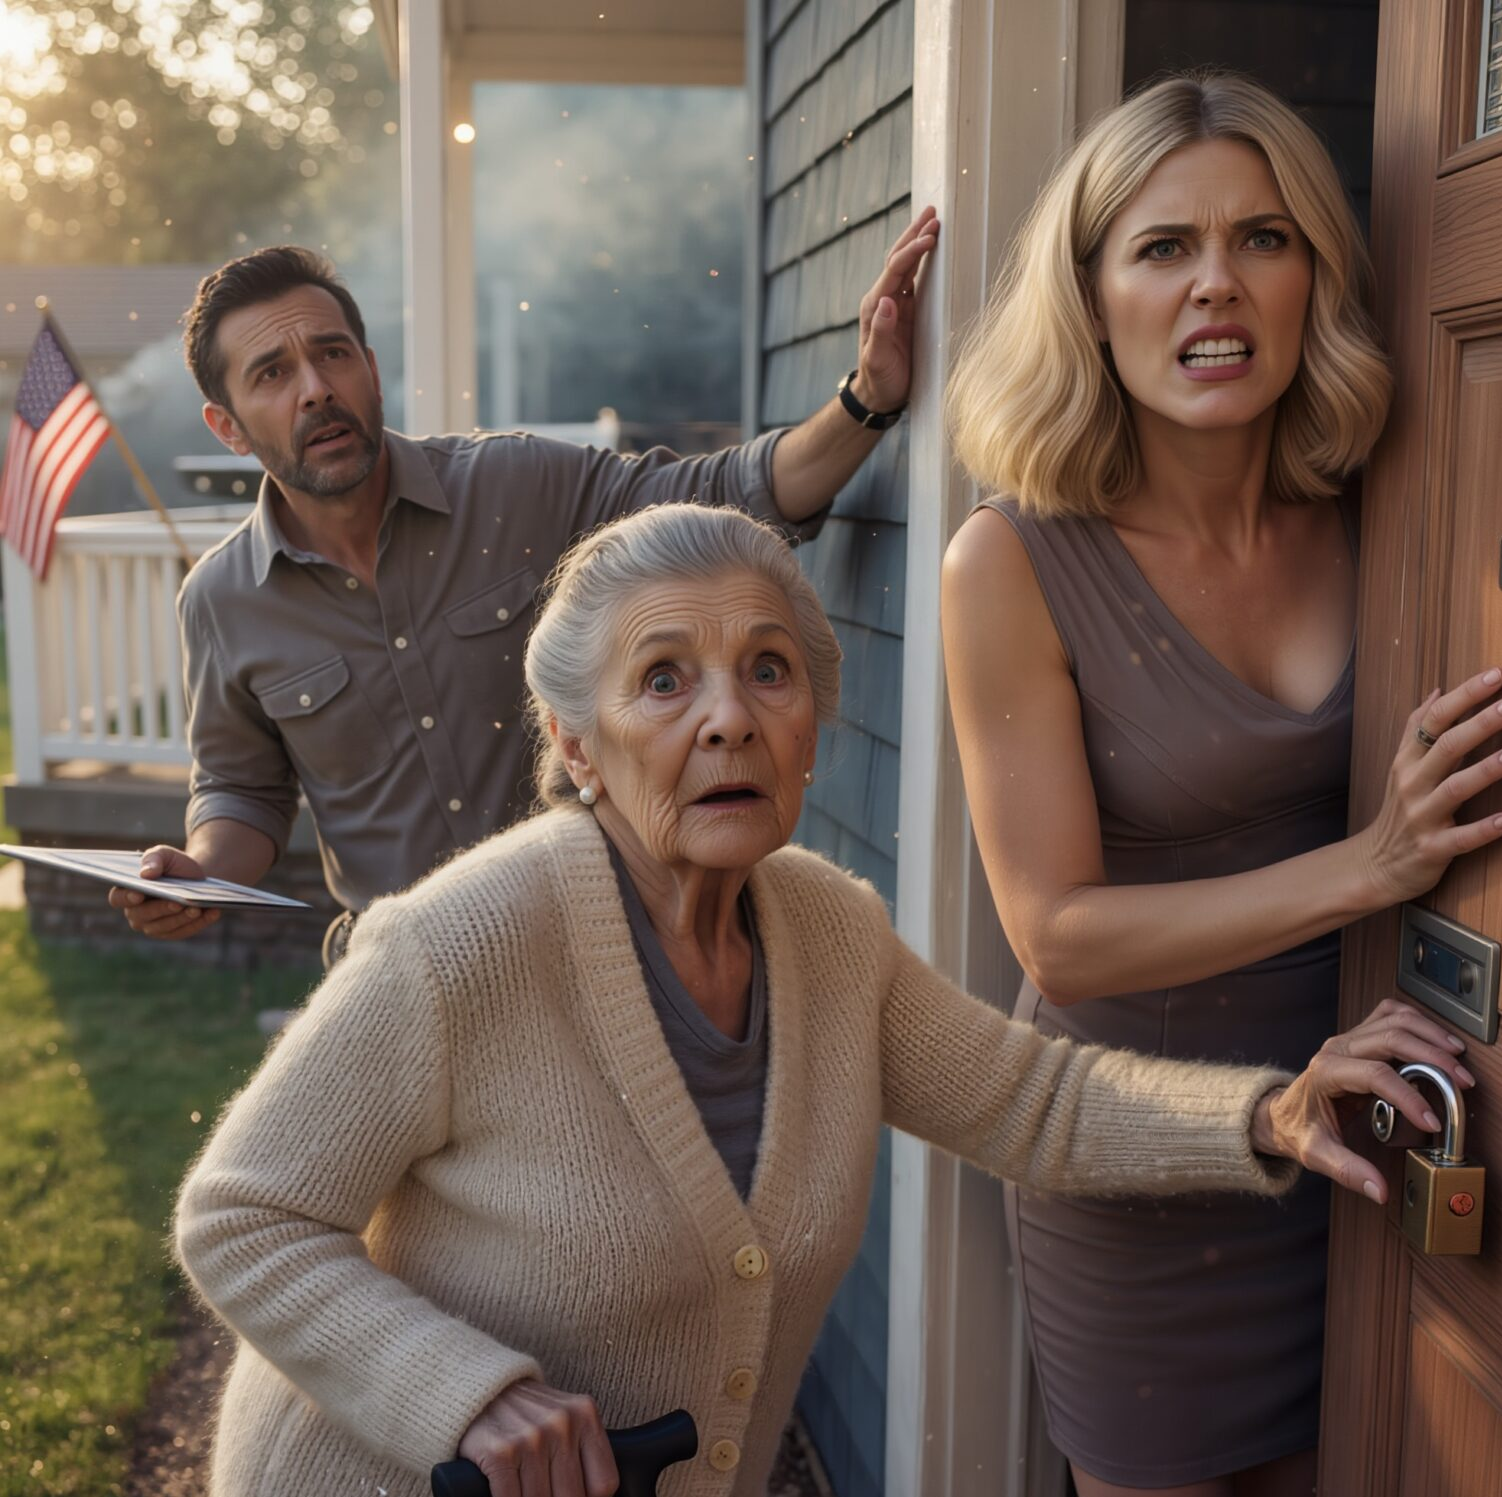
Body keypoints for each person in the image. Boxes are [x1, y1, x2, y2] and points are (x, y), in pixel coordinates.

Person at [175, 502, 1466, 1497]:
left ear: (812, 733)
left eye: (768, 672)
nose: (728, 714)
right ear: (578, 746)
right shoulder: (467, 943)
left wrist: (1272, 1111)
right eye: (665, 680)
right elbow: (242, 1215)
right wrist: (463, 1397)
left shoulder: (827, 934)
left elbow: (1033, 1100)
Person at [940, 72, 1502, 1497]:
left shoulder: (1386, 514)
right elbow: (1058, 936)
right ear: (1090, 294)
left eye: (1263, 239)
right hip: (1139, 1163)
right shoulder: (1007, 565)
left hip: (1370, 1150)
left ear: (1316, 275)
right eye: (1162, 247)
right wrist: (1372, 864)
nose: (1217, 285)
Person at [109, 215, 937, 961]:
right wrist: (201, 872)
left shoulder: (517, 489)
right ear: (228, 427)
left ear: (370, 369)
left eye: (332, 354)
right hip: (402, 977)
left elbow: (730, 493)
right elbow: (243, 790)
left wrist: (867, 400)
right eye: (271, 374)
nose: (315, 388)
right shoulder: (223, 600)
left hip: (593, 952)